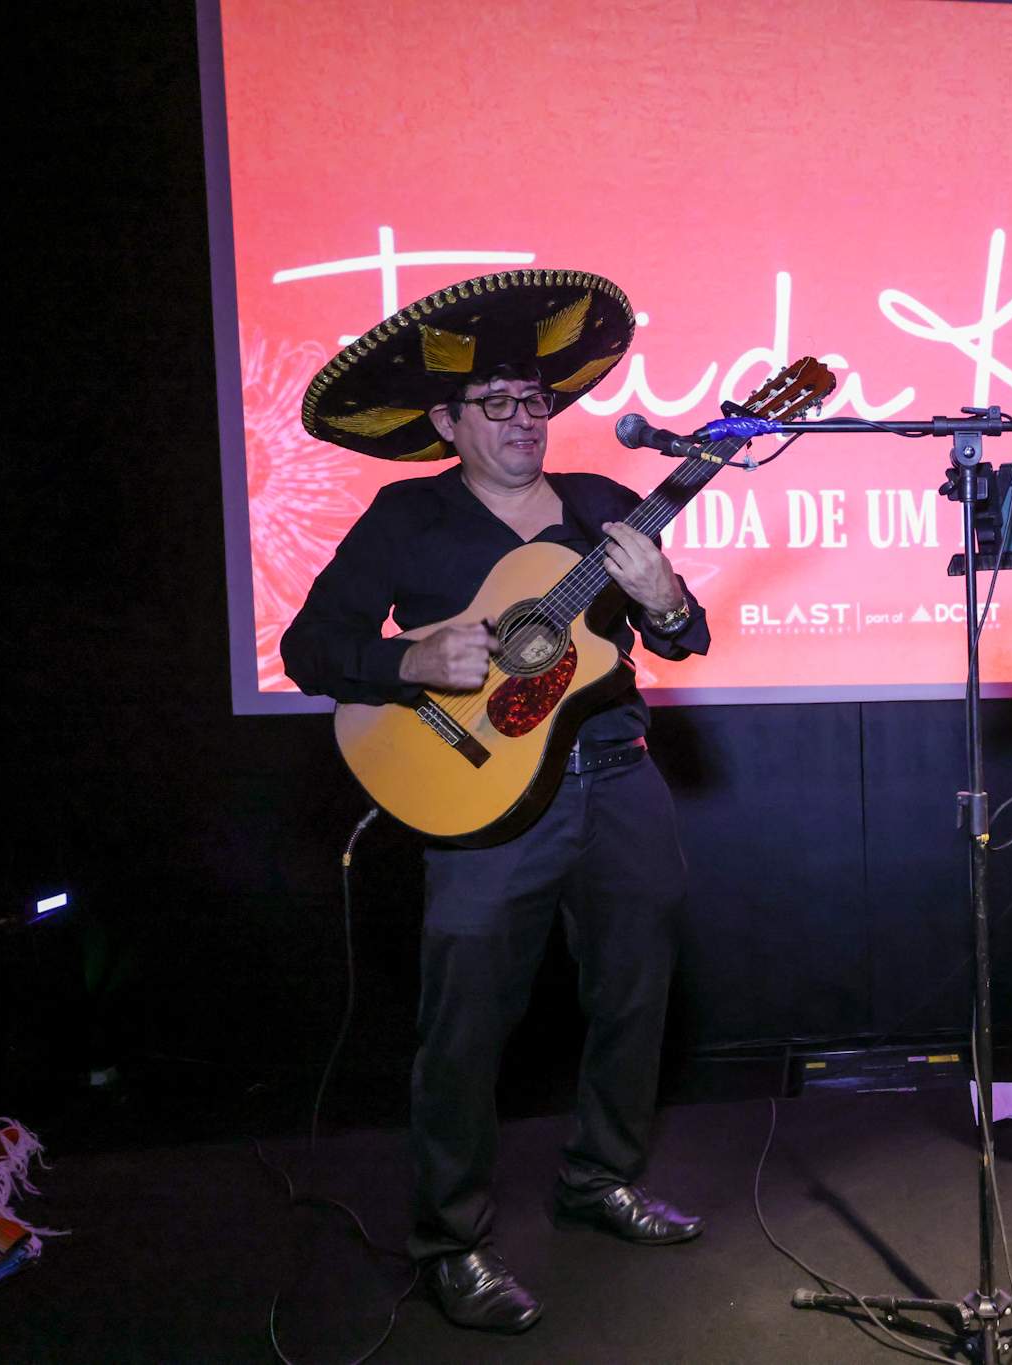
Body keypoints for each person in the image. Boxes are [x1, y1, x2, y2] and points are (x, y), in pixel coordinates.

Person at [282, 271, 708, 1333]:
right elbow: (309, 649)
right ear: (445, 421)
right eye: (498, 405)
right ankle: (450, 1242)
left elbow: (684, 638)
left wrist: (663, 600)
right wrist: (407, 657)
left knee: (634, 996)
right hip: (473, 799)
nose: (525, 423)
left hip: (617, 779)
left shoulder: (608, 507)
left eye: (536, 402)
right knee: (465, 1027)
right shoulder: (408, 514)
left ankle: (598, 1179)